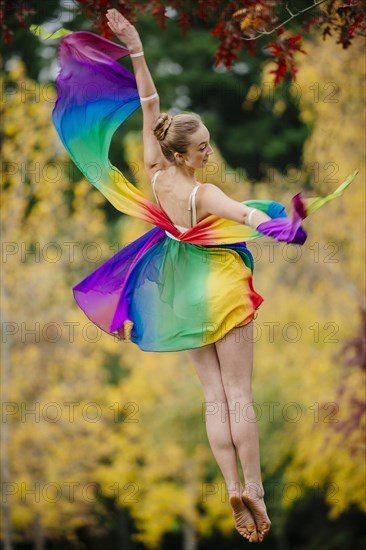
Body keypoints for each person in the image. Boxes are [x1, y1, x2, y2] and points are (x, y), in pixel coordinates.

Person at [105, 8, 271, 543]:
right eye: (202, 147)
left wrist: (136, 46)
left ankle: (230, 486)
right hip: (219, 290)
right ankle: (257, 491)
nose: (209, 152)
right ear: (183, 152)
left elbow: (149, 103)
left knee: (213, 398)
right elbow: (245, 214)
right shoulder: (202, 192)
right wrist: (276, 222)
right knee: (239, 394)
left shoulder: (156, 174)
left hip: (180, 292)